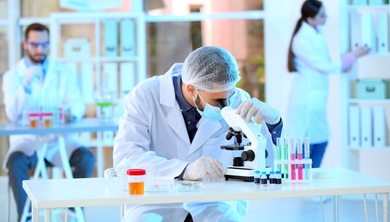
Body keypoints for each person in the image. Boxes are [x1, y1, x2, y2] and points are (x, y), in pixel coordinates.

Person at [114, 45, 283, 221]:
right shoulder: (146, 96)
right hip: (155, 200)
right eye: (218, 101)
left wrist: (274, 122)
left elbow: (266, 162)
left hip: (214, 201)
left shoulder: (239, 99)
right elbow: (126, 157)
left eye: (230, 96)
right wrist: (184, 170)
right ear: (191, 89)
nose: (226, 105)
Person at [2, 23, 96, 221]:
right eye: (35, 44)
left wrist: (72, 112)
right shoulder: (13, 77)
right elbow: (12, 114)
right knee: (15, 161)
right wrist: (25, 86)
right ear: (25, 43)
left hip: (58, 143)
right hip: (28, 143)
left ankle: (72, 210)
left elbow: (78, 104)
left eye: (44, 44)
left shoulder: (63, 72)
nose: (40, 49)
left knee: (87, 158)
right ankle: (26, 216)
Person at [286, 0, 370, 168]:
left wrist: (340, 65)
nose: (326, 18)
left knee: (319, 140)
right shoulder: (302, 40)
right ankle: (306, 185)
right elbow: (325, 66)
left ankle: (310, 184)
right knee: (310, 144)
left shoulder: (316, 31)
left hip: (315, 96)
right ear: (310, 19)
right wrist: (352, 56)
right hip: (306, 99)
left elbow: (325, 63)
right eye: (322, 15)